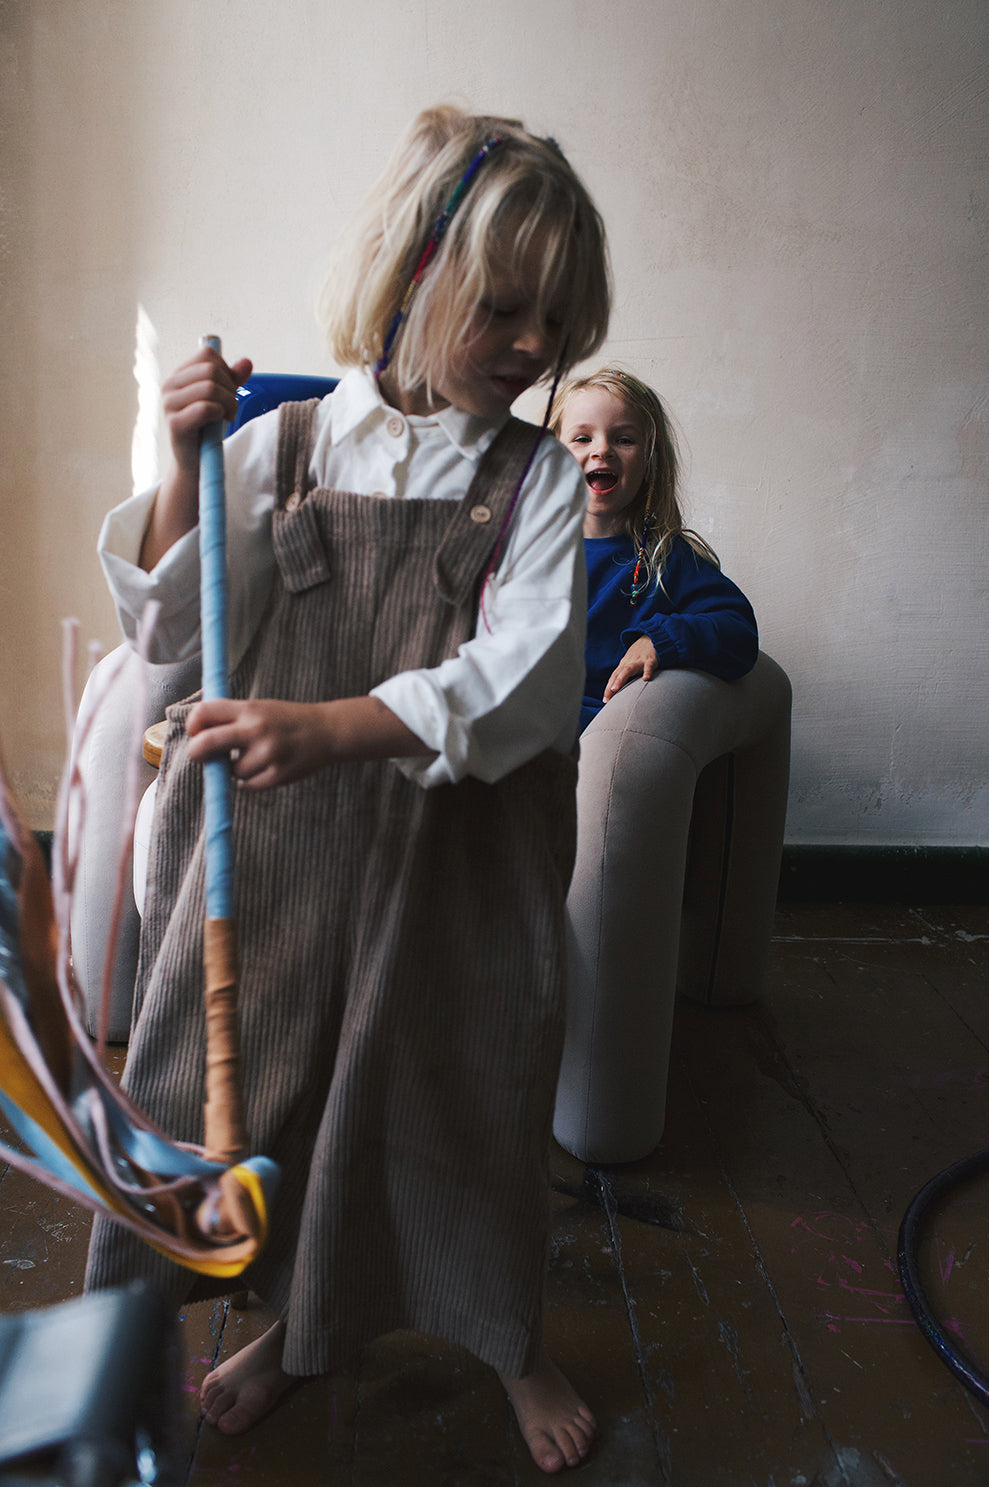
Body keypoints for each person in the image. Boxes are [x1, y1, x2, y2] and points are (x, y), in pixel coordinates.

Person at [85, 105, 610, 1474]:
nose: (535, 347)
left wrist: (336, 723)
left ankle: (502, 1330)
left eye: (556, 319)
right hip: (281, 846)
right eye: (503, 307)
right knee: (244, 1085)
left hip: (457, 848)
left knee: (457, 1081)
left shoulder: (534, 477)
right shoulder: (287, 446)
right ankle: (287, 1327)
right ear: (412, 278)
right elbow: (171, 637)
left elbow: (524, 675)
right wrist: (176, 471)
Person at [550, 367, 758, 732]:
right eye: (582, 438)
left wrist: (659, 640)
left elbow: (738, 631)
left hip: (591, 732)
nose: (602, 450)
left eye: (624, 440)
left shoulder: (670, 560)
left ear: (649, 460)